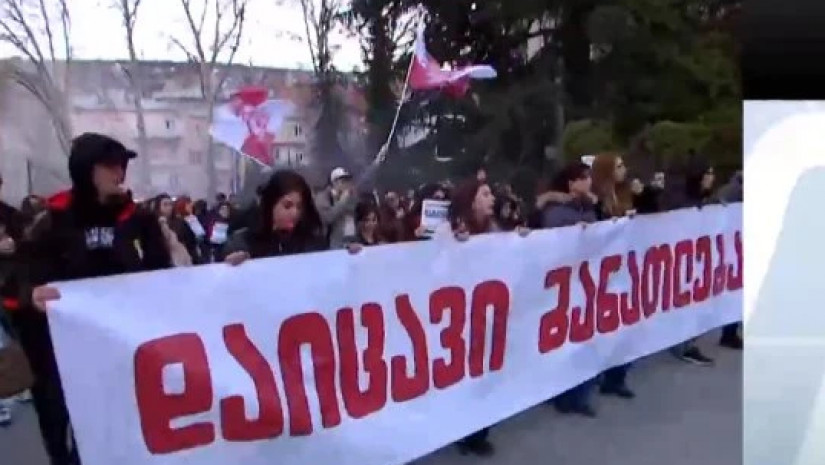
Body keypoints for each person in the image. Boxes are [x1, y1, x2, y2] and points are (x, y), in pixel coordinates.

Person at [15, 133, 171, 465]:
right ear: (87, 169)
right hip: (65, 354)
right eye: (110, 165)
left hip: (125, 347)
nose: (120, 173)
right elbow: (22, 277)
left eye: (122, 165)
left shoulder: (140, 220)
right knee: (69, 435)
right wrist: (31, 294)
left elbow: (165, 276)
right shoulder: (52, 221)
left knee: (126, 430)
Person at [444, 178, 529, 458]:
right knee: (462, 379)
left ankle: (479, 432)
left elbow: (509, 263)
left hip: (488, 317)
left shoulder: (495, 231)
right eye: (485, 194)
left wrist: (523, 241)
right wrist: (452, 247)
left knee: (486, 376)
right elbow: (432, 270)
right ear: (470, 200)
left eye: (491, 193)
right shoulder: (447, 231)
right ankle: (459, 430)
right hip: (457, 322)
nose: (492, 198)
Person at [540, 162, 599, 417]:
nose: (589, 182)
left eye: (589, 177)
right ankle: (563, 394)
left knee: (584, 336)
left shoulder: (589, 206)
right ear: (571, 183)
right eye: (583, 178)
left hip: (584, 280)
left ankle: (580, 393)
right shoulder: (555, 211)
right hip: (561, 284)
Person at [590, 152, 637, 399]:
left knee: (623, 326)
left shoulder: (625, 194)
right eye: (618, 166)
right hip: (602, 274)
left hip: (622, 270)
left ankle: (616, 377)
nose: (623, 169)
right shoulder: (597, 201)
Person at [224, 170, 327, 264]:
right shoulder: (244, 242)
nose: (295, 213)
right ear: (271, 204)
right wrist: (235, 263)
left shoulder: (313, 243)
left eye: (299, 207)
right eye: (287, 206)